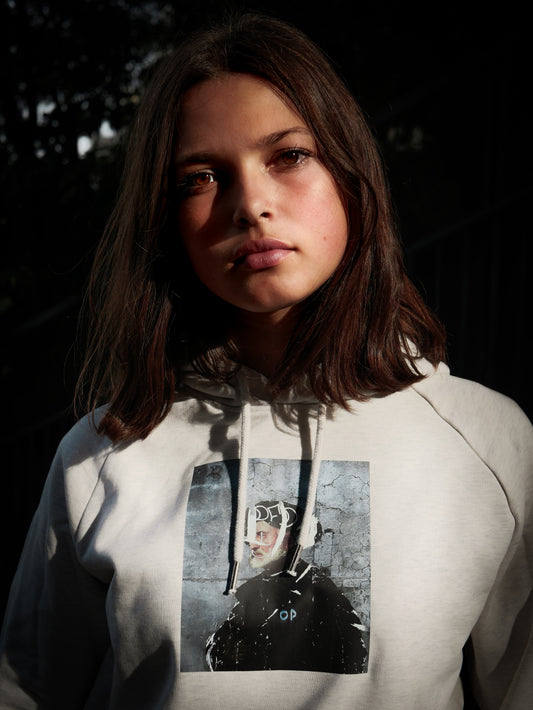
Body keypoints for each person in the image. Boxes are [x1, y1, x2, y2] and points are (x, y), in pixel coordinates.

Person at [0, 11, 531, 710]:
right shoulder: (99, 457)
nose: (251, 204)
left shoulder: (487, 444)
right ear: (167, 218)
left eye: (288, 156)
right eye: (201, 176)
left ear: (349, 172)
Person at [205, 500, 368, 673]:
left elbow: (352, 652)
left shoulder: (317, 586)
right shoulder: (251, 590)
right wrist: (228, 651)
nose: (252, 545)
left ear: (289, 540)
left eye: (261, 534)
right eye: (251, 536)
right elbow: (219, 648)